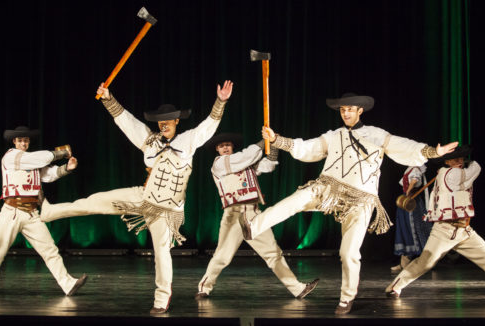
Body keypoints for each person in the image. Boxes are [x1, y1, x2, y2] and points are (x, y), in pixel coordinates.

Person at [239, 93, 458, 314]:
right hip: (328, 188)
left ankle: (347, 297)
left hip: (361, 199)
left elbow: (404, 147)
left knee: (349, 252)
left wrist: (432, 151)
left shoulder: (376, 135)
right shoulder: (334, 135)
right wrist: (276, 139)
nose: (346, 113)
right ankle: (253, 226)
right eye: (343, 110)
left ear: (360, 110)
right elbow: (308, 148)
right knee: (294, 201)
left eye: (350, 109)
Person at [40, 80, 233, 313]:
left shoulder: (187, 141)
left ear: (176, 122)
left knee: (161, 254)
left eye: (168, 120)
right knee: (96, 201)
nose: (164, 124)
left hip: (166, 210)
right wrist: (108, 98)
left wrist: (220, 101)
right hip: (143, 197)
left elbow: (208, 126)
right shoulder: (150, 141)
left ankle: (161, 300)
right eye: (161, 121)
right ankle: (51, 211)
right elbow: (127, 122)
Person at [385, 145, 485, 301]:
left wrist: (460, 162)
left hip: (463, 230)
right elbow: (477, 168)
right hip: (444, 230)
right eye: (454, 159)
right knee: (424, 263)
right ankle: (394, 287)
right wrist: (468, 163)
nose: (459, 161)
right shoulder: (451, 174)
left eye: (461, 158)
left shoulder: (445, 172)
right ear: (447, 162)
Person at [195, 133, 319, 299]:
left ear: (232, 147)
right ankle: (204, 288)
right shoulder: (219, 164)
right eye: (221, 146)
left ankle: (297, 288)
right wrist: (263, 141)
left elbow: (268, 166)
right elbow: (245, 157)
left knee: (273, 254)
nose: (225, 148)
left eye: (228, 145)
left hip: (253, 214)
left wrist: (273, 146)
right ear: (217, 149)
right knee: (222, 256)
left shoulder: (245, 164)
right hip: (234, 214)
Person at [0, 126, 87, 295]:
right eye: (20, 140)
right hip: (13, 211)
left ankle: (67, 284)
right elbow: (41, 158)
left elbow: (48, 175)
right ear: (14, 142)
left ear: (28, 142)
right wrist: (61, 153)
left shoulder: (32, 161)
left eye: (25, 140)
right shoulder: (11, 156)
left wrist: (67, 168)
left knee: (50, 249)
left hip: (31, 213)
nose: (23, 143)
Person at [390, 165, 432, 273]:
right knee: (405, 230)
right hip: (407, 202)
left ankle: (427, 262)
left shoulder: (416, 170)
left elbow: (414, 181)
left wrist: (408, 192)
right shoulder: (410, 169)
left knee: (414, 230)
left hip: (412, 203)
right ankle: (404, 264)